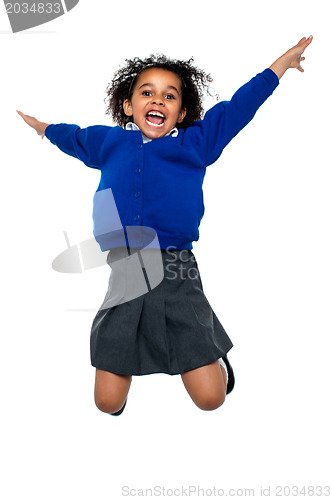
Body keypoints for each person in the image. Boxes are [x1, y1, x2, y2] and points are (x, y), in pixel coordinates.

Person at [17, 35, 313, 416]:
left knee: (211, 400)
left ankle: (214, 359)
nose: (157, 100)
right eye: (147, 92)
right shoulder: (107, 142)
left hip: (176, 271)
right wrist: (42, 126)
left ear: (182, 112)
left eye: (169, 96)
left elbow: (239, 108)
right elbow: (70, 136)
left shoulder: (195, 144)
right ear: (128, 105)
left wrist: (279, 67)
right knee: (106, 403)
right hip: (124, 276)